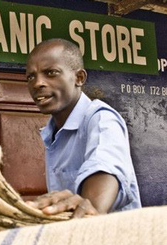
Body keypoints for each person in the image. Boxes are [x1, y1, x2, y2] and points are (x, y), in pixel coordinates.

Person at [25, 38, 141, 218]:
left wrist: (91, 205)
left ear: (79, 78)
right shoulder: (51, 134)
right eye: (31, 76)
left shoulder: (101, 119)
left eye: (51, 73)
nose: (37, 83)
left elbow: (106, 166)